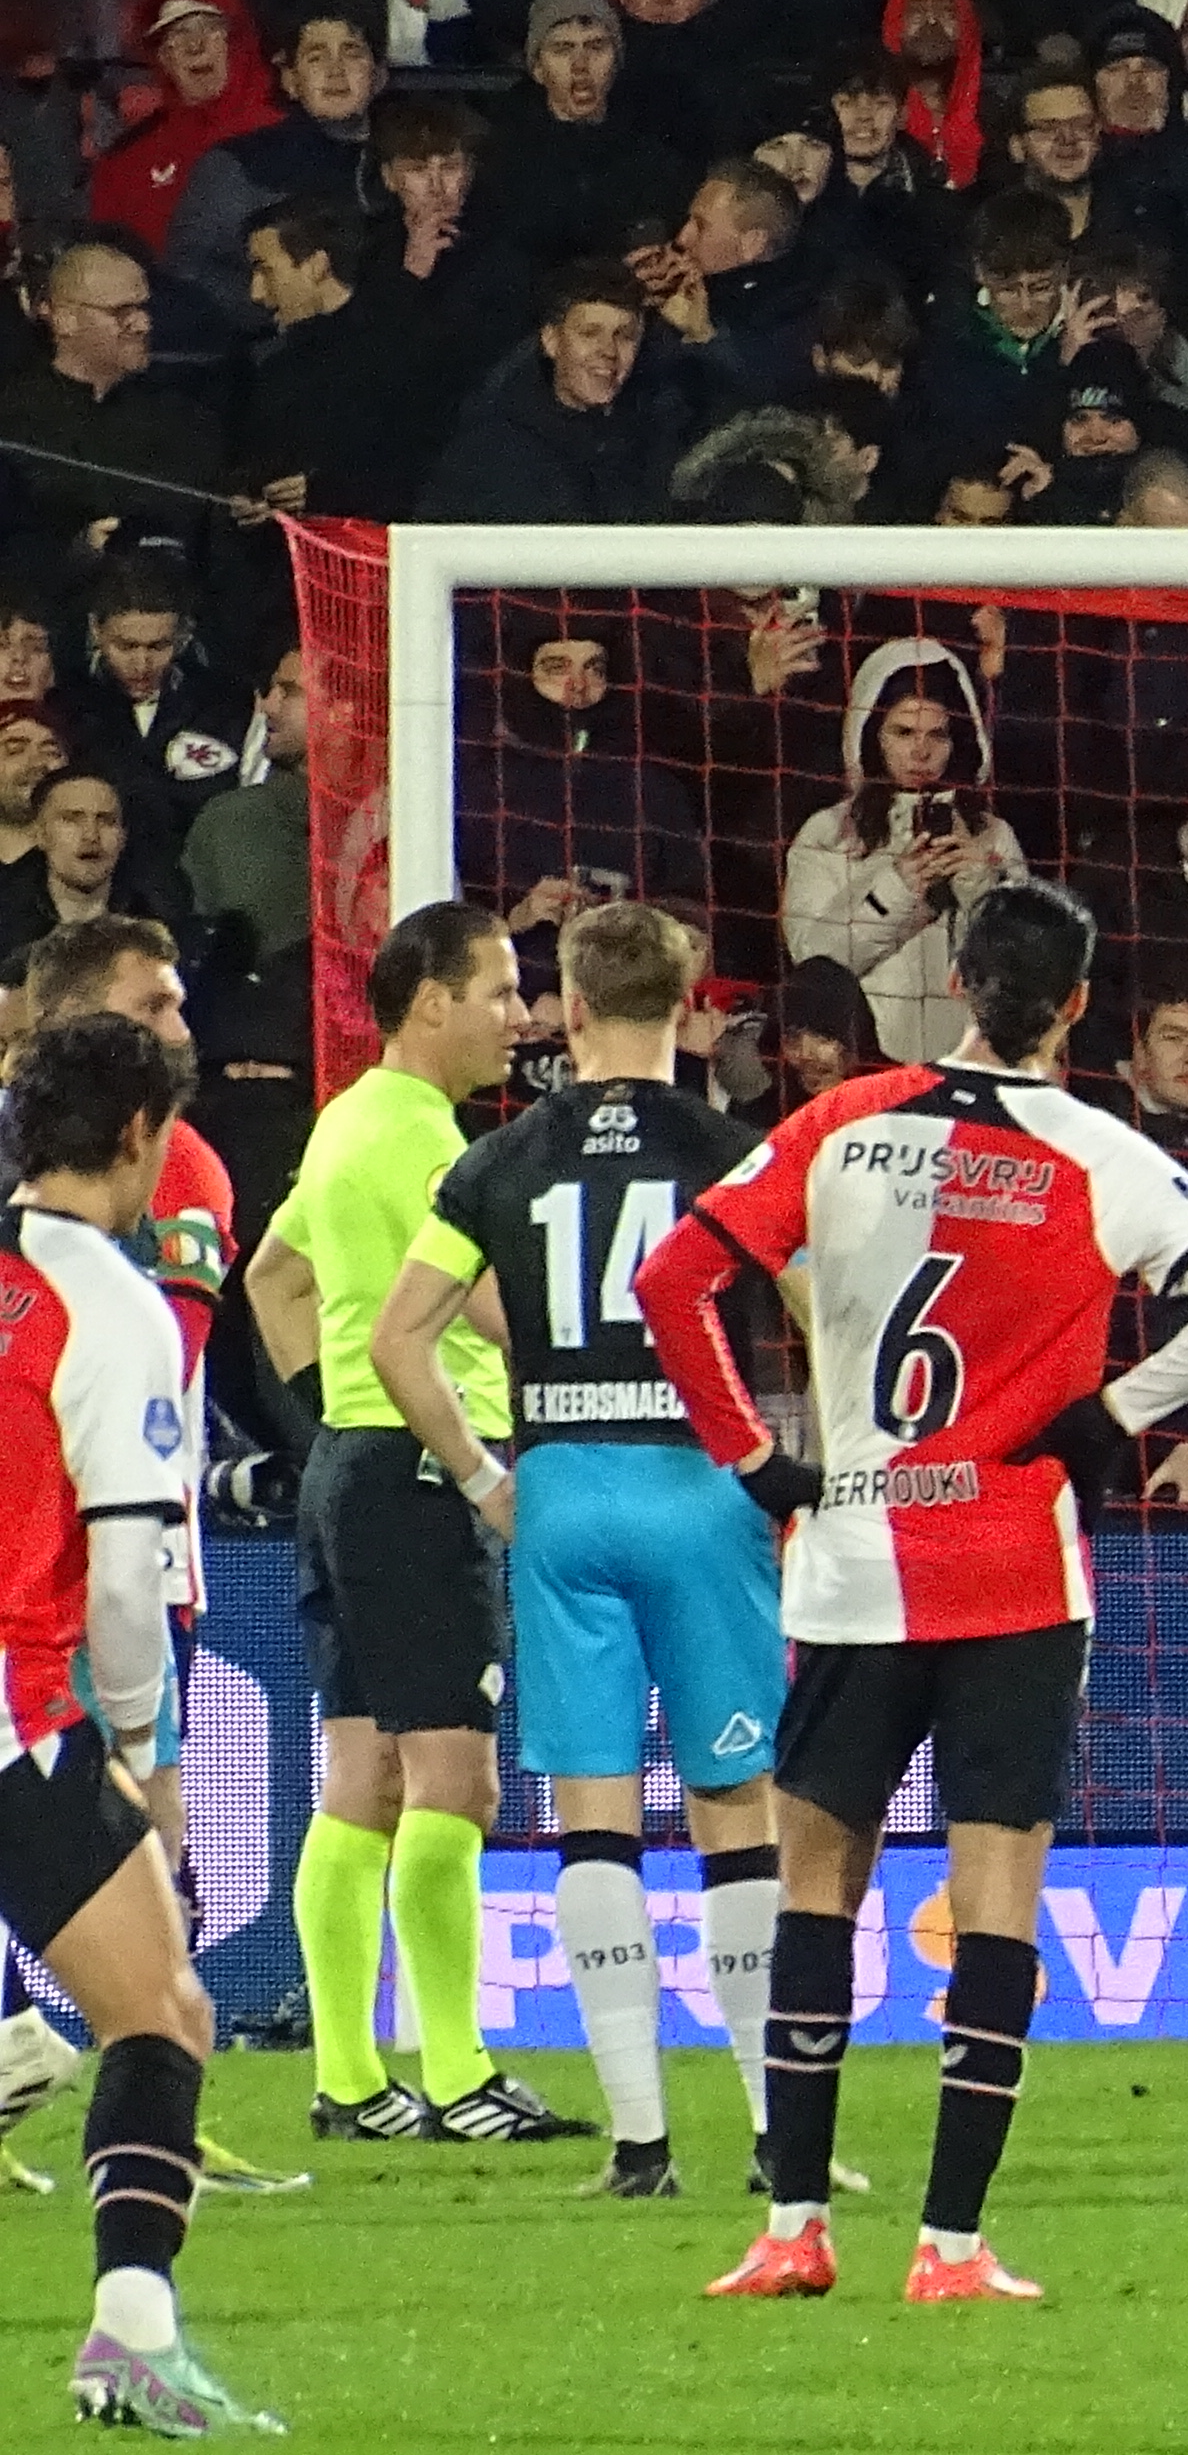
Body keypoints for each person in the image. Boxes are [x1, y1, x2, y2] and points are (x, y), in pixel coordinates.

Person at [640, 885, 1188, 2304]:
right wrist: (1110, 1414)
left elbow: (676, 1277)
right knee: (994, 1899)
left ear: (953, 981)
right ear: (1073, 1007)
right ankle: (950, 2248)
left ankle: (792, 2228)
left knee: (813, 1890)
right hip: (1014, 1569)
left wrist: (756, 1459)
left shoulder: (839, 1125)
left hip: (856, 1561)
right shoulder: (1099, 1151)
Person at [367, 904, 790, 2201]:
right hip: (701, 1486)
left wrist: (490, 1481)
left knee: (592, 1817)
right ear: (688, 1008)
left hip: (561, 1488)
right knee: (737, 1813)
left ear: (568, 1004)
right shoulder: (739, 1151)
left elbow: (400, 1340)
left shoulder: (504, 1158)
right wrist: (806, 1473)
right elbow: (826, 1309)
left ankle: (639, 2145)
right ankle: (784, 2139)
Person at [243, 903, 565, 2149]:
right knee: (457, 1780)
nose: (519, 1016)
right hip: (427, 1471)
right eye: (500, 990)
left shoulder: (345, 1126)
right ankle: (461, 2071)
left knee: (362, 1775)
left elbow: (273, 1278)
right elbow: (493, 1311)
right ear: (431, 997)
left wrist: (336, 1416)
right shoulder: (426, 1140)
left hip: (355, 1469)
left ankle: (345, 2080)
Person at [7, 1016, 269, 2432]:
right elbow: (124, 1568)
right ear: (136, 1141)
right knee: (161, 2009)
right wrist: (125, 1733)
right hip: (14, 1709)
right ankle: (131, 2332)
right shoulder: (112, 1310)